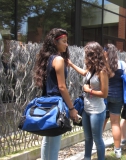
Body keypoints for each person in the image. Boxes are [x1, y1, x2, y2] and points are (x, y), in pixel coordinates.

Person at [33, 28, 78, 160]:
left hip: (47, 102)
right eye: (64, 41)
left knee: (48, 138)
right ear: (55, 42)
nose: (66, 44)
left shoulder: (47, 59)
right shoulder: (58, 59)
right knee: (55, 139)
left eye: (67, 41)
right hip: (57, 104)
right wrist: (71, 108)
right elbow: (62, 87)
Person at [68, 41, 113, 159]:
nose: (84, 56)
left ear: (93, 55)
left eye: (86, 53)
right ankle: (86, 158)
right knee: (87, 138)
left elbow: (104, 94)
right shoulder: (91, 68)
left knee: (97, 139)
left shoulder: (102, 71)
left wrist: (89, 91)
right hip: (86, 109)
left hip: (97, 111)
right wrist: (71, 64)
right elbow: (84, 73)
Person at [102, 43, 126, 158]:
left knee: (102, 121)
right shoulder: (122, 64)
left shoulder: (102, 65)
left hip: (103, 96)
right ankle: (117, 149)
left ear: (106, 52)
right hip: (118, 96)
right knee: (115, 123)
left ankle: (97, 145)